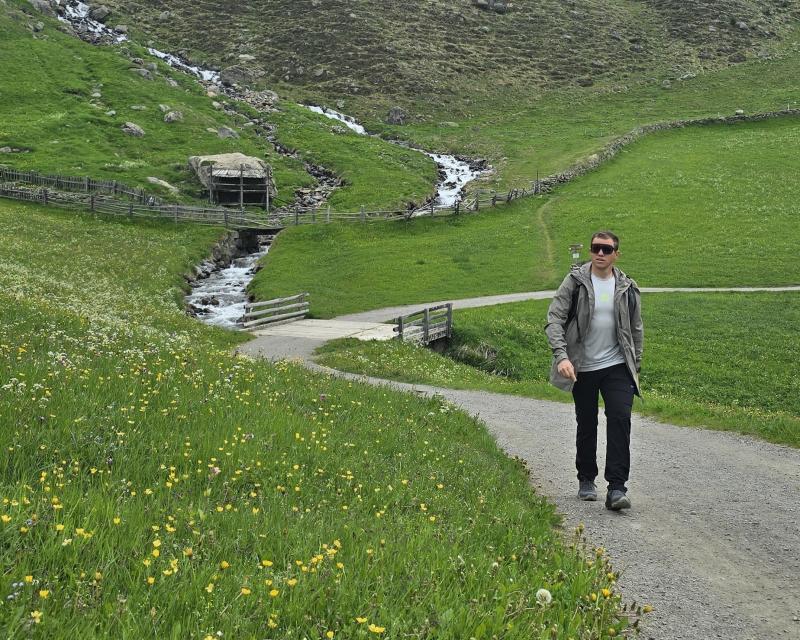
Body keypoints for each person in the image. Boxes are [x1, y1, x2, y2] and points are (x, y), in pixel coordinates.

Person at [545, 231, 643, 511]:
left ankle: (617, 488)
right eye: (596, 248)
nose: (600, 253)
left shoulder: (627, 286)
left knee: (620, 419)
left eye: (606, 249)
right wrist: (562, 357)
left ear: (616, 254)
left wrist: (635, 365)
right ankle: (586, 478)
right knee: (587, 422)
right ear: (590, 251)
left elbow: (636, 328)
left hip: (617, 365)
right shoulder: (575, 282)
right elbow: (554, 319)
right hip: (582, 366)